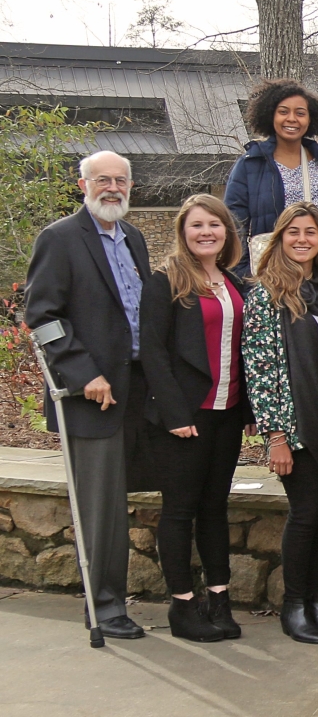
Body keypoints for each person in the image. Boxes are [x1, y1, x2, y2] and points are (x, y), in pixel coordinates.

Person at [25, 150, 152, 640]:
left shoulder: (134, 237)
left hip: (138, 390)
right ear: (84, 186)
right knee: (100, 509)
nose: (113, 188)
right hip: (92, 396)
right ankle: (105, 608)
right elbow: (43, 316)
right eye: (103, 180)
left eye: (121, 180)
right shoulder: (59, 239)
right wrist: (83, 374)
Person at [139, 194, 251, 642]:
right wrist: (173, 412)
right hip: (186, 417)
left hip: (226, 414)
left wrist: (246, 411)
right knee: (181, 509)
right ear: (183, 233)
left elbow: (242, 351)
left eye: (215, 225)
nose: (207, 232)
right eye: (197, 226)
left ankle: (218, 599)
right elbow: (152, 351)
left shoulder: (235, 283)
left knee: (214, 508)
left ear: (227, 233)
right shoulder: (165, 282)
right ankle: (183, 604)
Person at [242, 203, 318, 644]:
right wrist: (276, 438)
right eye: (293, 233)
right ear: (280, 240)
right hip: (297, 425)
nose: (303, 239)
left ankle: (317, 603)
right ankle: (294, 604)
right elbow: (261, 371)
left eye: (312, 232)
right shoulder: (266, 295)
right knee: (305, 514)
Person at [225, 79, 318, 276]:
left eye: (300, 113)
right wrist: (245, 279)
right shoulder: (251, 165)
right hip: (272, 277)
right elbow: (234, 227)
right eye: (283, 111)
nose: (292, 118)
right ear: (271, 115)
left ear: (310, 119)